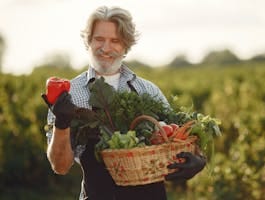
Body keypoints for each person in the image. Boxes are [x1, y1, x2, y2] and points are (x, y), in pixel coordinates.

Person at [42, 6, 206, 200]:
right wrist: (62, 124)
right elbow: (60, 167)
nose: (106, 48)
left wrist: (199, 159)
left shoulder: (148, 90)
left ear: (126, 45)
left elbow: (175, 138)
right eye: (99, 39)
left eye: (115, 41)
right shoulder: (70, 93)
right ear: (89, 41)